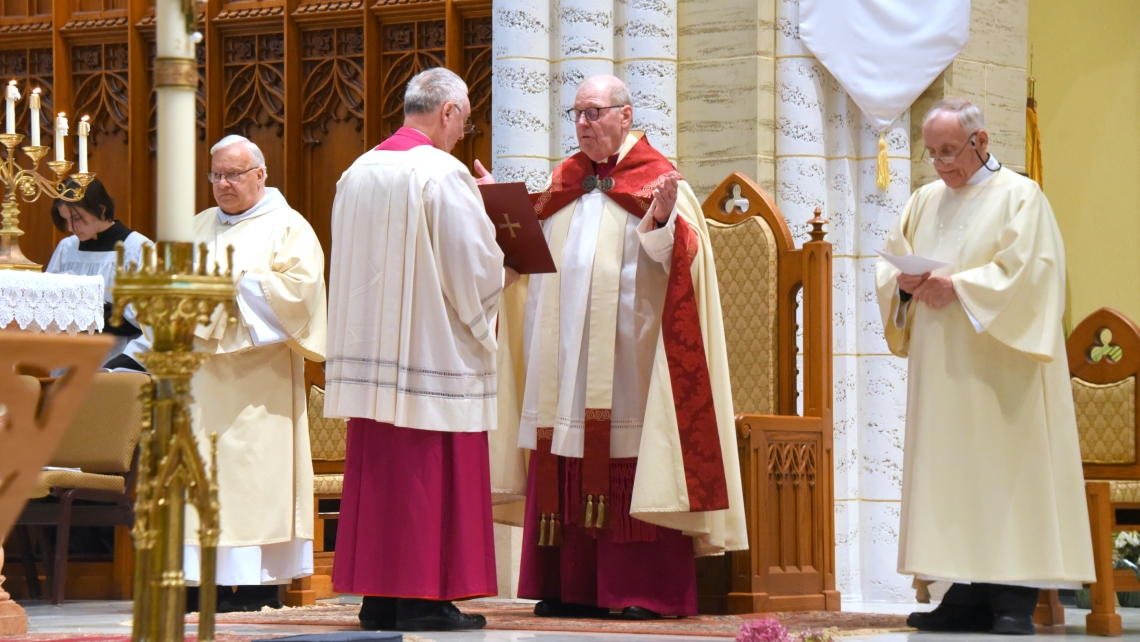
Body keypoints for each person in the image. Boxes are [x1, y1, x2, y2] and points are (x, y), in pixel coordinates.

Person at [498, 75, 747, 620]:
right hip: (565, 352)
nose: (583, 124)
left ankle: (642, 589)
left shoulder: (659, 181)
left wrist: (658, 221)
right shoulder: (564, 179)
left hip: (630, 352)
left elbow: (686, 261)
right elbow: (528, 255)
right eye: (577, 114)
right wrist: (503, 213)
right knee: (563, 444)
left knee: (625, 451)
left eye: (594, 112)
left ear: (626, 116)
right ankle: (568, 585)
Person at [875, 98, 1095, 635]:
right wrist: (901, 288)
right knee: (951, 474)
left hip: (1002, 371)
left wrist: (962, 287)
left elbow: (1035, 274)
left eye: (950, 151)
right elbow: (892, 263)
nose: (941, 164)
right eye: (932, 153)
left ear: (982, 141)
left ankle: (1014, 596)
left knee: (1005, 474)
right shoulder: (925, 201)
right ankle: (964, 593)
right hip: (942, 372)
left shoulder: (1021, 197)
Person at [324, 67, 512, 632]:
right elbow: (473, 268)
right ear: (448, 112)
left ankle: (379, 597)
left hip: (370, 357)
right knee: (428, 477)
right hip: (433, 353)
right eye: (465, 121)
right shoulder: (441, 173)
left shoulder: (357, 171)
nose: (462, 134)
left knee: (382, 475)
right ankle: (426, 598)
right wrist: (504, 243)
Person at [125, 135, 328, 612]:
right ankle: (196, 586)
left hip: (258, 387)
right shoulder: (196, 226)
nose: (222, 183)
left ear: (260, 175)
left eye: (233, 174)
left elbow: (299, 294)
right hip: (197, 385)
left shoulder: (289, 227)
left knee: (252, 484)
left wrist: (230, 286)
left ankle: (255, 587)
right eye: (216, 174)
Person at [46, 178, 152, 362]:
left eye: (77, 219)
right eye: (65, 220)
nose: (71, 228)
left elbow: (143, 319)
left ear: (101, 210)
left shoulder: (137, 248)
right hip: (67, 357)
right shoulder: (67, 247)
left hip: (115, 358)